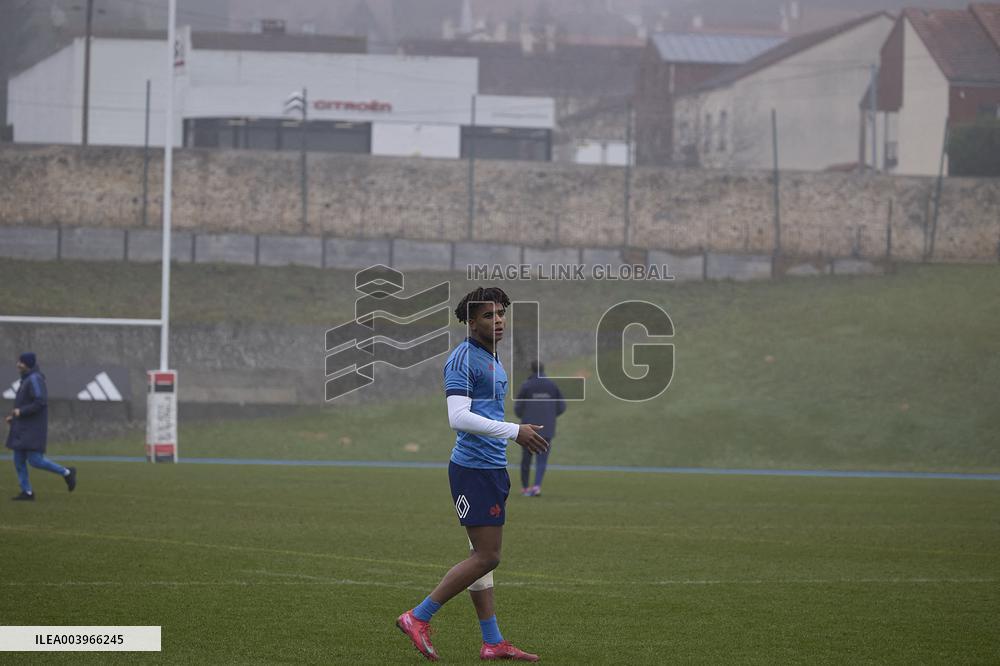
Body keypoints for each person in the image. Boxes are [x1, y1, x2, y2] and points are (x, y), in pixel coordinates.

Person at [396, 287, 548, 662]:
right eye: (487, 316)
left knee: (480, 557)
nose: (497, 321)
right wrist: (515, 431)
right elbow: (458, 417)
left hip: (491, 467)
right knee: (488, 556)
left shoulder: (490, 357)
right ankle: (418, 617)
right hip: (473, 469)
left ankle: (492, 642)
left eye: (500, 314)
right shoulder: (463, 359)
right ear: (470, 322)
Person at [5, 353, 76, 501]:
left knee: (35, 460)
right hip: (23, 428)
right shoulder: (26, 379)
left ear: (28, 364)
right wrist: (15, 417)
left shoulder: (35, 379)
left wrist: (21, 412)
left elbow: (40, 402)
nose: (18, 364)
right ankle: (27, 492)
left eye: (21, 362)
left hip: (32, 429)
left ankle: (67, 472)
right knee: (18, 461)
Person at [514, 361, 566, 497]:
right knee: (542, 459)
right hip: (547, 427)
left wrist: (524, 416)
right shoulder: (552, 385)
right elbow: (562, 406)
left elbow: (518, 408)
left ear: (531, 370)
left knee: (526, 459)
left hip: (528, 429)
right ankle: (536, 486)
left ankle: (525, 488)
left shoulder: (526, 385)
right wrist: (550, 415)